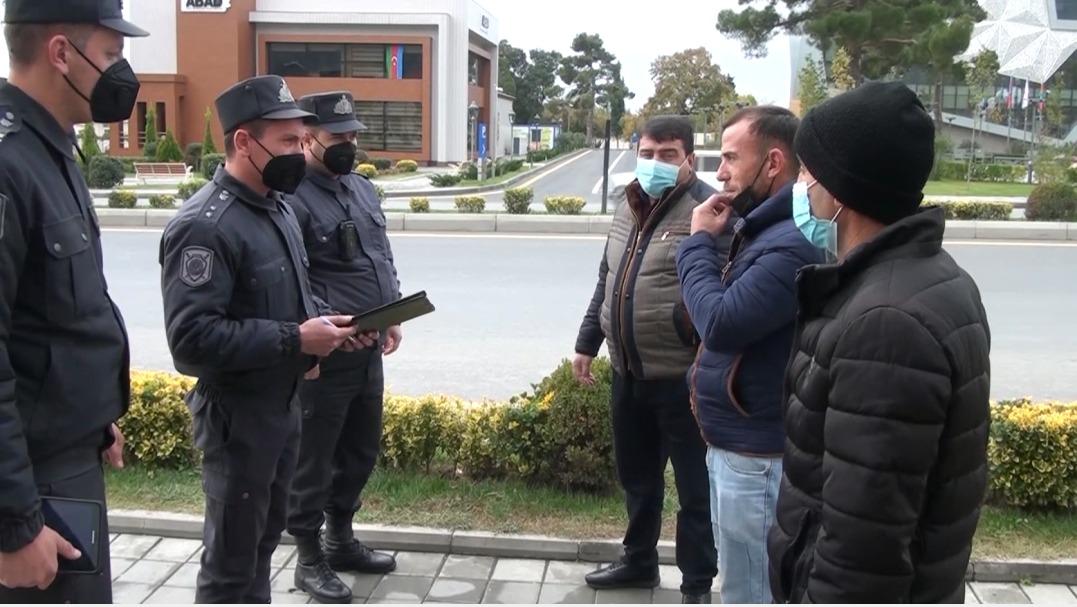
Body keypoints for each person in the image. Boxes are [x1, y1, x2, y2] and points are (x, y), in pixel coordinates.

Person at [768, 81, 991, 604]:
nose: (800, 186)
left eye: (807, 172)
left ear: (841, 190)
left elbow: (863, 547)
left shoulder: (885, 325)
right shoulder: (929, 277)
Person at [159, 75, 377, 603]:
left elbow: (291, 301)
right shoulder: (205, 227)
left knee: (260, 548)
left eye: (302, 141)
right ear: (243, 142)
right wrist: (294, 339)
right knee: (231, 568)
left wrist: (325, 327)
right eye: (287, 141)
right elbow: (190, 341)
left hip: (282, 408)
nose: (300, 153)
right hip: (239, 422)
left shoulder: (276, 207)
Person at [0, 1, 147, 601]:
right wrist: (14, 525)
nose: (122, 72)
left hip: (65, 456)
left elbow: (52, 314)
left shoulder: (51, 148)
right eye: (111, 54)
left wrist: (90, 411)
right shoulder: (8, 162)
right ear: (61, 53)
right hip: (30, 483)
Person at [675, 106, 820, 605]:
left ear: (774, 162)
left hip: (757, 458)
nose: (720, 172)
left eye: (731, 158)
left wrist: (697, 242)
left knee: (750, 591)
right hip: (738, 447)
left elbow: (719, 324)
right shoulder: (762, 229)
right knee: (740, 583)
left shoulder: (790, 244)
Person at [574, 116, 718, 603]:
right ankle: (639, 562)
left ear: (689, 159)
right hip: (628, 373)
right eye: (648, 154)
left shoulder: (709, 211)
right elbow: (607, 278)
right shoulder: (627, 204)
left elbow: (720, 290)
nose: (656, 163)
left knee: (696, 491)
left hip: (683, 380)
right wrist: (587, 342)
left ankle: (697, 585)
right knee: (638, 479)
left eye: (668, 154)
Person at [285, 91, 401, 603]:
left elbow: (380, 254)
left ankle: (341, 539)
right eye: (338, 136)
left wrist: (391, 311)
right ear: (308, 138)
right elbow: (295, 278)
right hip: (325, 357)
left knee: (359, 450)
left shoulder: (361, 188)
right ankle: (308, 557)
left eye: (353, 134)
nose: (349, 144)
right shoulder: (291, 197)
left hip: (369, 349)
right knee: (313, 458)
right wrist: (332, 325)